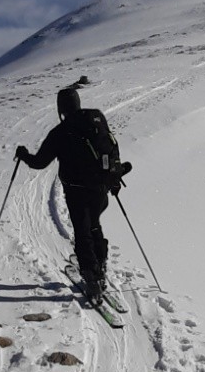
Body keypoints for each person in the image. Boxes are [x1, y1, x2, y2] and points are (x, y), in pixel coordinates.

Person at [13, 84, 130, 306]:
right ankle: (100, 263)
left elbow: (39, 163)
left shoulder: (60, 132)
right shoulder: (96, 123)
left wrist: (24, 155)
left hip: (76, 190)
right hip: (101, 187)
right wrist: (113, 178)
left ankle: (91, 276)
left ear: (60, 108)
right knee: (94, 224)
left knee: (82, 230)